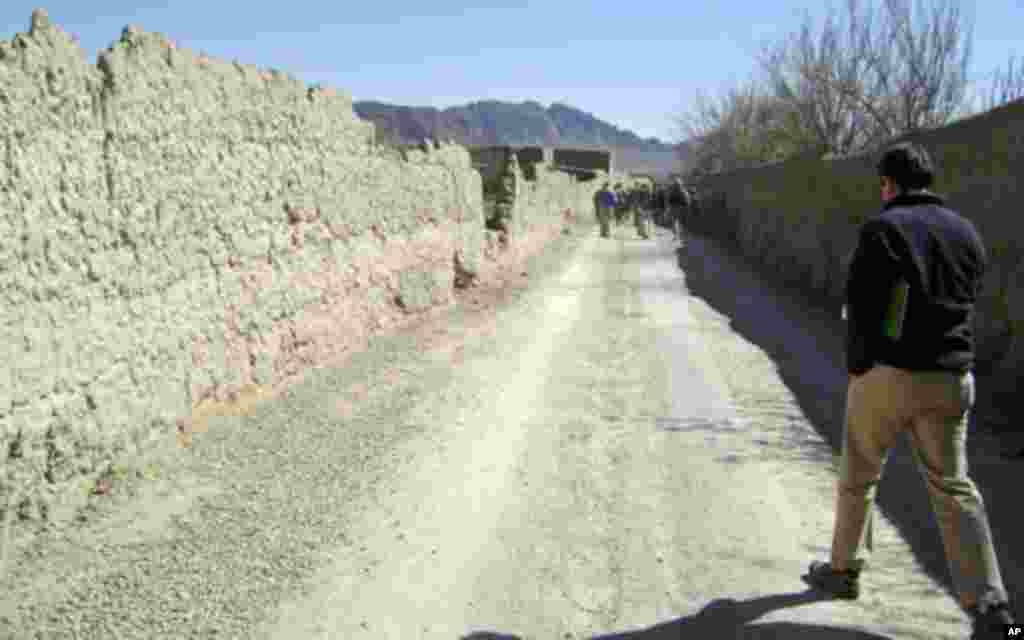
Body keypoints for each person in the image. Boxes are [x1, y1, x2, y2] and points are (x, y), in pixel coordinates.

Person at [803, 142, 1016, 638]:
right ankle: (993, 611)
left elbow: (860, 306)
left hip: (890, 375)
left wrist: (859, 366)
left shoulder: (883, 229)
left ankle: (843, 570)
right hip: (951, 377)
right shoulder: (966, 232)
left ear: (888, 184)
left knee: (860, 473)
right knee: (953, 487)